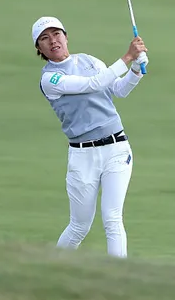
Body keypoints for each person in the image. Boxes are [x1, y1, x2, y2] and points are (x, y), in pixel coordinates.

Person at [31, 16, 148, 258]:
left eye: (57, 34)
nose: (53, 41)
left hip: (116, 148)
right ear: (39, 48)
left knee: (113, 218)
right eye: (44, 38)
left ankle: (118, 275)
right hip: (82, 155)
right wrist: (128, 57)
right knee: (79, 226)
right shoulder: (49, 79)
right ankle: (51, 268)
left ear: (66, 37)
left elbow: (118, 89)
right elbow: (92, 85)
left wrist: (136, 69)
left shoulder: (89, 60)